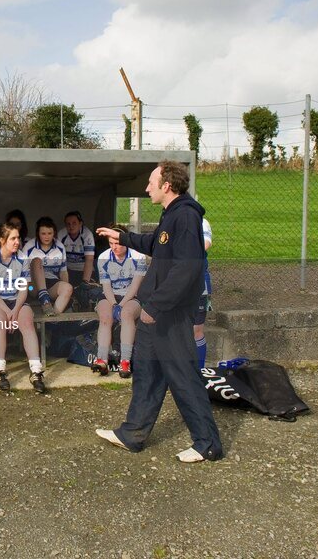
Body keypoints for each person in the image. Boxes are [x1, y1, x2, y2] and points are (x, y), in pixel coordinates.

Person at [94, 161, 223, 463]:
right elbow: (156, 243)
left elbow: (188, 268)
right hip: (157, 314)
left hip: (169, 315)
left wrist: (156, 305)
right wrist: (122, 237)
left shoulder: (187, 216)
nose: (146, 187)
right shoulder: (172, 215)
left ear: (167, 185)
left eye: (151, 182)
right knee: (148, 373)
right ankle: (133, 434)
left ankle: (208, 444)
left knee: (183, 378)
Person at [0, 223, 47, 394]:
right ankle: (0, 371)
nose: (17, 241)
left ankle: (36, 371)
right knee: (0, 322)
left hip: (16, 300)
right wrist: (7, 312)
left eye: (18, 238)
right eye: (13, 238)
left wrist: (15, 311)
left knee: (27, 322)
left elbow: (23, 289)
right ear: (2, 240)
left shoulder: (22, 257)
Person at [94, 225, 147, 378]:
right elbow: (106, 286)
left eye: (118, 243)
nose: (114, 247)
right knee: (105, 317)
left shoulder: (138, 256)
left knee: (127, 314)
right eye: (111, 243)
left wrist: (121, 305)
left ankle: (125, 361)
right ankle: (102, 359)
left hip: (131, 296)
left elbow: (135, 286)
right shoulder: (104, 257)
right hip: (111, 296)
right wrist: (114, 305)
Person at [24, 216, 73, 317]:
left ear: (54, 233)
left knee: (68, 288)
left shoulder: (59, 247)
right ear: (38, 233)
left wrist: (67, 293)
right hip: (32, 286)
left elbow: (63, 272)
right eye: (43, 233)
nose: (46, 237)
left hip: (51, 285)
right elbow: (22, 273)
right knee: (37, 261)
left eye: (49, 233)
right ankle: (44, 298)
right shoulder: (29, 247)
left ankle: (51, 320)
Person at [194, 217, 213, 369]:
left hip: (198, 281)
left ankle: (199, 370)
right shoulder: (169, 219)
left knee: (196, 329)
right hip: (175, 282)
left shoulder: (201, 221)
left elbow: (206, 243)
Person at [61, 211, 95, 286]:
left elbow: (89, 260)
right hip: (68, 270)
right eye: (68, 224)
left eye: (74, 223)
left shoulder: (87, 235)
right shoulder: (61, 234)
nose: (71, 226)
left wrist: (85, 282)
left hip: (83, 270)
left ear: (80, 224)